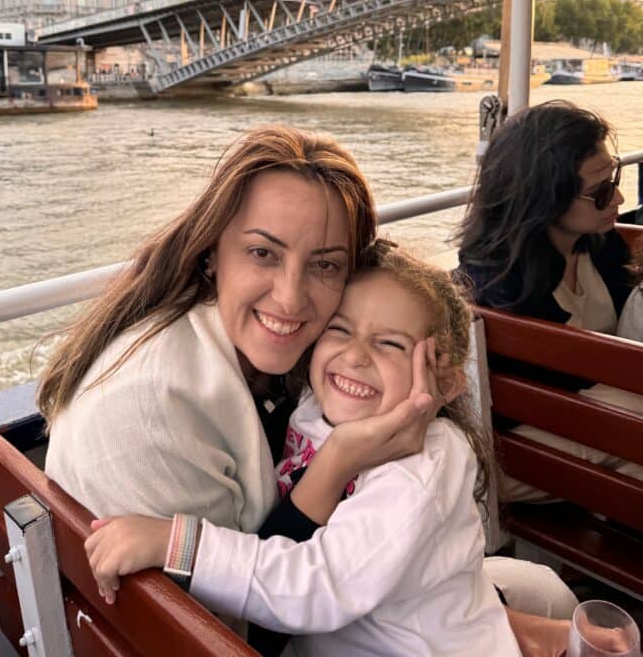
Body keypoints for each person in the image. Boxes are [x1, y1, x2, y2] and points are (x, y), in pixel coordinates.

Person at [40, 124, 576, 655]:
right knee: (541, 592)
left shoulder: (233, 355)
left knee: (537, 591)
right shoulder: (156, 407)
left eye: (324, 264)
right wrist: (337, 462)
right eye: (263, 253)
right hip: (262, 629)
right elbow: (257, 631)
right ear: (211, 252)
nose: (292, 299)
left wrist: (481, 619)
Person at [84, 245, 523, 656]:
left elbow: (320, 585)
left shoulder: (420, 469)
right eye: (339, 329)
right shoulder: (317, 407)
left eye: (390, 343)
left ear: (444, 382)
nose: (354, 356)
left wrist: (175, 543)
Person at [457, 100, 643, 498]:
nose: (619, 200)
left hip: (592, 434)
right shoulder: (496, 284)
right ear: (545, 196)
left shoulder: (602, 246)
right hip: (519, 458)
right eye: (601, 192)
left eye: (615, 179)